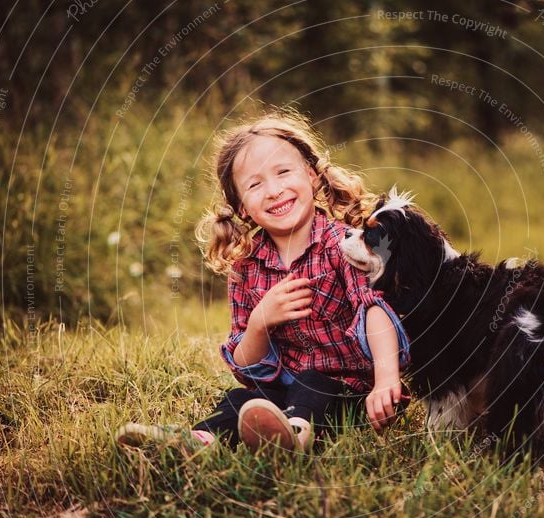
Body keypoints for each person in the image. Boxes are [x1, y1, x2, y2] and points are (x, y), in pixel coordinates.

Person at [117, 110, 410, 452]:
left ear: (313, 177)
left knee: (312, 383)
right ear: (241, 207)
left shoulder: (342, 245)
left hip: (351, 392)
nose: (273, 191)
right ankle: (199, 441)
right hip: (283, 391)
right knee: (241, 399)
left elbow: (373, 308)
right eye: (255, 184)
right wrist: (259, 323)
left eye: (283, 172)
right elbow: (246, 368)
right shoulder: (247, 266)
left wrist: (386, 379)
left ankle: (294, 435)